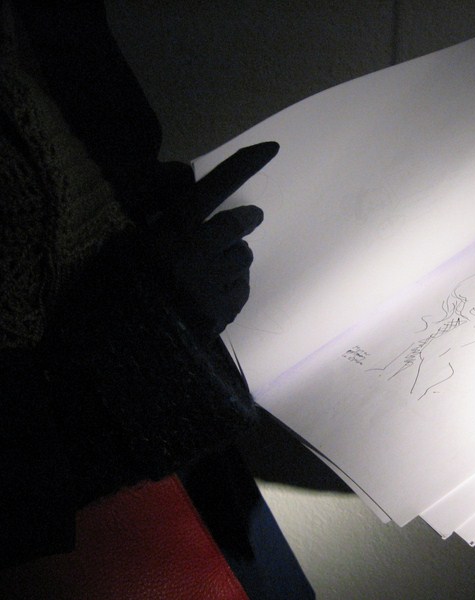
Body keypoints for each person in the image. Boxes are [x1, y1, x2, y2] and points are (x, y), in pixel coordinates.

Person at [0, 2, 314, 596]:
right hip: (68, 515)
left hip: (175, 445)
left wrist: (162, 211)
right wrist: (151, 322)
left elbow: (112, 153)